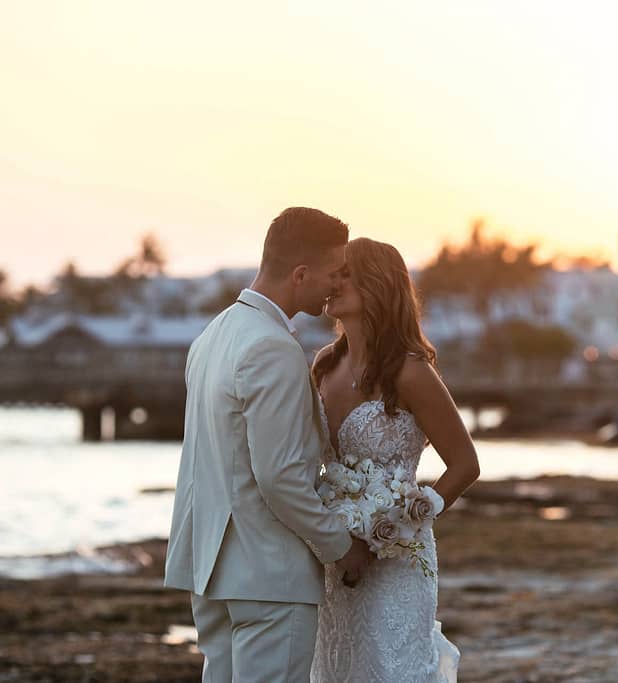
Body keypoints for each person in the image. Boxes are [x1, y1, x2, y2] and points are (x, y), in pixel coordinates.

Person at [164, 207, 372, 683]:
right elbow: (279, 478)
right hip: (269, 576)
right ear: (300, 274)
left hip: (212, 571)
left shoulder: (213, 335)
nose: (335, 285)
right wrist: (340, 546)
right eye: (333, 273)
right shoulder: (271, 347)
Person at [310, 237, 480, 682]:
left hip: (397, 563)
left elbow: (465, 464)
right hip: (334, 560)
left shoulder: (410, 371)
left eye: (345, 274)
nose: (333, 282)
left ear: (377, 285)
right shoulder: (324, 368)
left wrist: (397, 526)